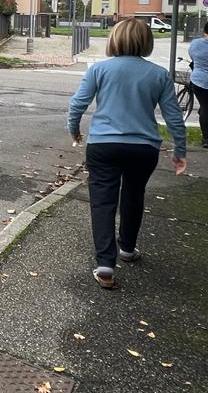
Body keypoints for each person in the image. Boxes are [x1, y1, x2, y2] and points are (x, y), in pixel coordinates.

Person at [68, 17, 187, 290]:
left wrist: (74, 131)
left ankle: (105, 265)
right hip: (143, 148)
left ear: (114, 39)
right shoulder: (159, 75)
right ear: (146, 42)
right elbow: (174, 117)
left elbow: (77, 105)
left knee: (102, 201)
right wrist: (179, 150)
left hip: (103, 146)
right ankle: (128, 248)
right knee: (134, 194)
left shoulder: (99, 69)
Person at [187, 21, 208, 147]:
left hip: (198, 81)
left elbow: (192, 57)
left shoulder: (195, 43)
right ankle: (207, 139)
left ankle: (206, 138)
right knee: (206, 108)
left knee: (205, 107)